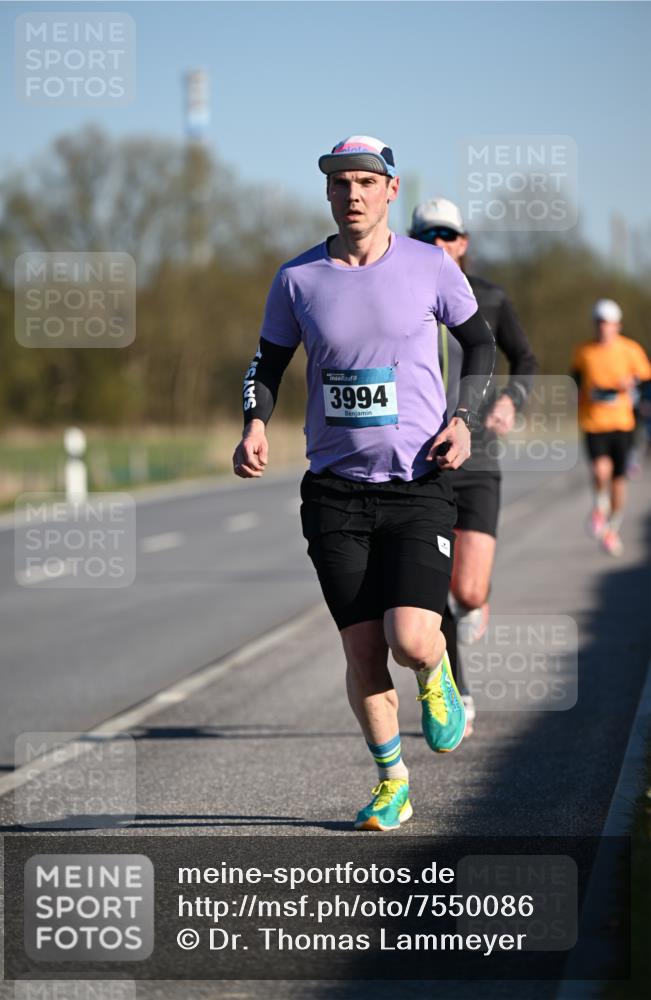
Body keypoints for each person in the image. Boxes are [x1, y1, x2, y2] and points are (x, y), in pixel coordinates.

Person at [233, 136, 496, 831]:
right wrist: (255, 423)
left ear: (390, 190)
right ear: (326, 193)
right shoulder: (298, 278)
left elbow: (480, 342)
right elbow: (267, 364)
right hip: (334, 491)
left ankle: (436, 672)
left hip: (416, 482)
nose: (351, 194)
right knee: (360, 651)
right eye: (339, 183)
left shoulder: (428, 267)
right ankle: (391, 783)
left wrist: (463, 418)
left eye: (364, 182)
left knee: (410, 639)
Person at [409, 198, 538, 736]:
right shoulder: (398, 292)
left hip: (478, 453)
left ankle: (475, 604)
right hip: (420, 461)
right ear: (414, 239)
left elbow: (524, 358)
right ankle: (455, 689)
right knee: (433, 586)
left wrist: (512, 400)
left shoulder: (488, 296)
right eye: (427, 234)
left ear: (463, 243)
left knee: (467, 591)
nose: (439, 243)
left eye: (449, 235)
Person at [571, 298, 651, 556]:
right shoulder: (584, 351)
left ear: (618, 326)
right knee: (599, 471)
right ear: (595, 325)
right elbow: (575, 380)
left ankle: (612, 529)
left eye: (609, 324)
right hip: (594, 423)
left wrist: (633, 381)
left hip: (622, 424)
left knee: (618, 481)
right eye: (600, 324)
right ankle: (599, 509)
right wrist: (578, 393)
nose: (604, 329)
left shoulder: (630, 350)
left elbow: (645, 376)